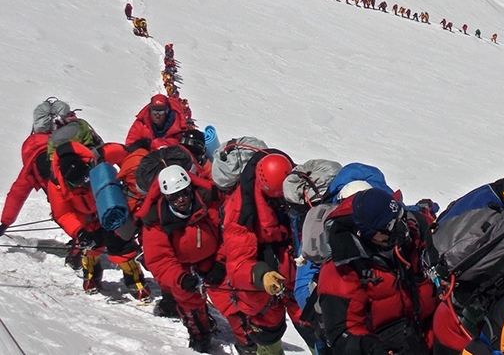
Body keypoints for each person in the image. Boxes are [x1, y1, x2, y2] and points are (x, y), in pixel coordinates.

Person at [141, 165, 252, 353]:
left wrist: (221, 262)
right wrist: (180, 279)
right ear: (166, 197)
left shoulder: (210, 205)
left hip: (212, 262)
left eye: (184, 193)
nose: (181, 199)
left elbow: (229, 234)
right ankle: (200, 336)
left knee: (232, 303)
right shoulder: (156, 221)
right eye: (174, 196)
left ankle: (248, 342)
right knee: (190, 307)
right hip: (182, 270)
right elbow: (159, 259)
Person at [317, 188, 438, 355]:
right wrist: (371, 349)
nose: (399, 227)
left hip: (424, 332)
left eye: (399, 217)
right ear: (367, 233)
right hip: (385, 343)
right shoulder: (342, 269)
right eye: (388, 226)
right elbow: (342, 333)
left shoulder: (411, 232)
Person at [224, 151, 317, 355]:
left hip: (297, 278)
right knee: (266, 335)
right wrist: (261, 275)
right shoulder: (241, 211)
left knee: (315, 331)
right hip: (262, 290)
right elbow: (237, 263)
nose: (281, 204)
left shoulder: (300, 192)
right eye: (276, 200)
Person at [48, 141, 150, 299]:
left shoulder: (99, 155)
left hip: (109, 207)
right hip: (86, 220)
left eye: (86, 179)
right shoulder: (56, 184)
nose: (84, 184)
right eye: (79, 183)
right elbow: (63, 214)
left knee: (121, 246)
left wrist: (128, 179)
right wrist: (78, 232)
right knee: (90, 247)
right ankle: (91, 276)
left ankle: (135, 281)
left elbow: (125, 154)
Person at [0, 99, 72, 236]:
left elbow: (18, 192)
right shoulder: (73, 143)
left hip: (63, 199)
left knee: (65, 212)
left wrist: (5, 223)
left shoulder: (33, 155)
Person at [125, 94, 189, 150]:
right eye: (154, 112)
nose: (157, 115)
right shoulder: (141, 123)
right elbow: (130, 144)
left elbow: (183, 148)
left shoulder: (178, 125)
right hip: (145, 159)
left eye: (161, 112)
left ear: (167, 111)